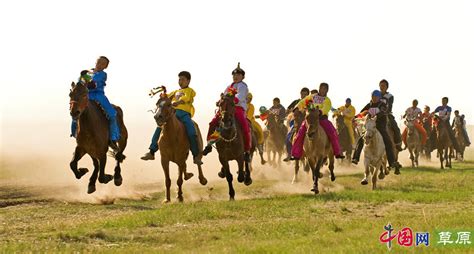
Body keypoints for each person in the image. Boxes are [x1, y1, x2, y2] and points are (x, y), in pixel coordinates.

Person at [141, 71, 202, 165]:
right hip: (173, 113)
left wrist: (179, 102)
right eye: (179, 79)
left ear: (188, 81)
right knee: (159, 127)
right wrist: (162, 96)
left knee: (191, 131)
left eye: (183, 79)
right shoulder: (175, 92)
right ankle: (152, 151)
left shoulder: (190, 91)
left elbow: (187, 98)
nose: (181, 81)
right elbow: (166, 98)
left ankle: (195, 155)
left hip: (185, 114)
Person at [202, 63, 252, 162]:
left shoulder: (243, 86)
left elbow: (239, 97)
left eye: (238, 75)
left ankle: (246, 150)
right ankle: (209, 144)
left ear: (243, 76)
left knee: (245, 126)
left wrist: (231, 101)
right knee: (213, 123)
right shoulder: (229, 86)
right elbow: (224, 96)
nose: (235, 76)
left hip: (238, 109)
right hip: (226, 108)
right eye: (234, 75)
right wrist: (220, 101)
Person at [71, 56, 121, 152]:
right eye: (98, 62)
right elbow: (80, 83)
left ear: (105, 67)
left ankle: (113, 139)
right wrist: (82, 78)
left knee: (112, 114)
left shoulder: (103, 74)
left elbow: (94, 82)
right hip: (87, 96)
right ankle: (75, 133)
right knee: (75, 111)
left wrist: (85, 78)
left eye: (103, 64)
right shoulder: (88, 72)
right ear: (95, 62)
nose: (100, 65)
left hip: (99, 96)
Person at [352, 90, 403, 174]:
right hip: (370, 126)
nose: (374, 98)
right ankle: (355, 158)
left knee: (388, 141)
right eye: (373, 97)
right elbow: (362, 113)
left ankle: (392, 162)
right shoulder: (369, 105)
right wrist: (355, 117)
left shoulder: (382, 105)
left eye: (376, 97)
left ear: (379, 97)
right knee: (361, 139)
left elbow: (383, 112)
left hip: (380, 126)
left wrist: (376, 115)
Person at [290, 83, 345, 160]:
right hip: (310, 118)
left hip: (321, 119)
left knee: (333, 132)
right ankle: (296, 154)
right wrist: (296, 108)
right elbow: (303, 102)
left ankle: (337, 152)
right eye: (322, 88)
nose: (323, 90)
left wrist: (320, 112)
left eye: (325, 89)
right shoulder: (312, 96)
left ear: (327, 90)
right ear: (319, 89)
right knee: (299, 133)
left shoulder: (327, 100)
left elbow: (326, 108)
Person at [283, 87, 310, 161]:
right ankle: (289, 154)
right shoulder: (296, 102)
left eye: (305, 94)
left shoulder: (310, 102)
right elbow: (287, 109)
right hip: (296, 122)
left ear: (308, 95)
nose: (303, 95)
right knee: (288, 138)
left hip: (308, 122)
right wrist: (289, 111)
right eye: (302, 94)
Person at [379, 79, 403, 151]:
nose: (382, 87)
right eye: (381, 85)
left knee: (396, 128)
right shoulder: (376, 94)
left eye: (383, 86)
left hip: (386, 114)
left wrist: (384, 112)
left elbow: (389, 106)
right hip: (376, 115)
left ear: (387, 87)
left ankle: (398, 143)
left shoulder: (390, 96)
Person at [246, 93, 266, 157]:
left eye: (249, 98)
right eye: (247, 98)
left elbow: (250, 114)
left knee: (259, 130)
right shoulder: (241, 104)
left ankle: (259, 145)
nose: (247, 99)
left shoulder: (251, 106)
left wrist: (247, 119)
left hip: (250, 120)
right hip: (240, 119)